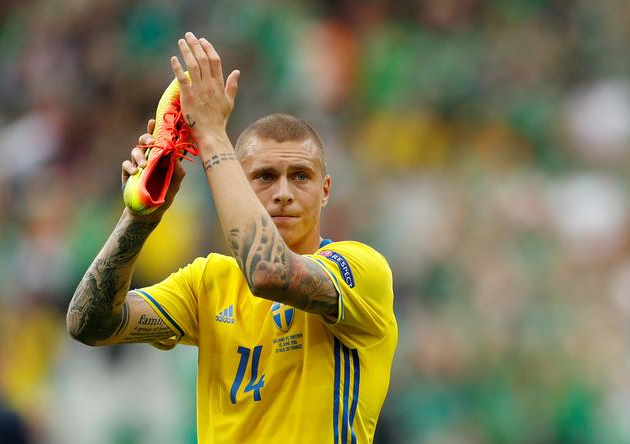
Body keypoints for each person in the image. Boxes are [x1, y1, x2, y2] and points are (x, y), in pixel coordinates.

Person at [67, 32, 397, 443]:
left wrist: (210, 135)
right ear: (236, 184)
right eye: (263, 177)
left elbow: (269, 273)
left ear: (325, 190)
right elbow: (89, 324)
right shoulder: (207, 283)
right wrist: (138, 218)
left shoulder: (362, 272)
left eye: (300, 177)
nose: (282, 192)